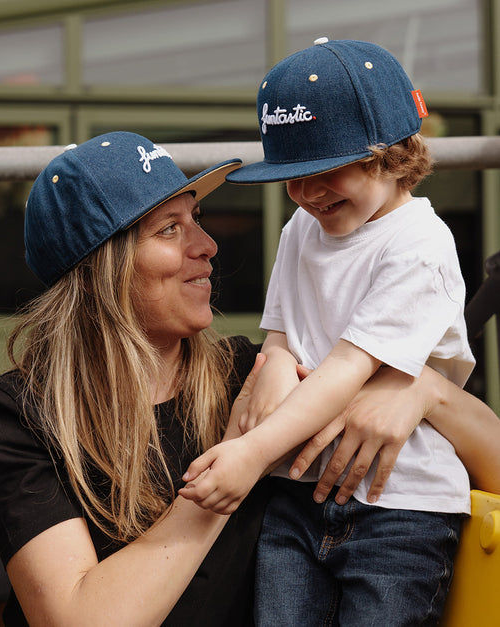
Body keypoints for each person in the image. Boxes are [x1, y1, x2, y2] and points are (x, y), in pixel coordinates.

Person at [0, 132, 500, 627]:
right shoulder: (22, 412)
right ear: (101, 271)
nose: (207, 245)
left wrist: (424, 393)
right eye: (169, 229)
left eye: (196, 219)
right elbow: (81, 619)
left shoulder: (252, 376)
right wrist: (238, 458)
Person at [179, 39, 476, 625]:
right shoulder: (301, 228)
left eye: (327, 170)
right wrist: (274, 362)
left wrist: (249, 453)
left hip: (397, 502)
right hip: (300, 490)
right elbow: (285, 327)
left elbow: (348, 368)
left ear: (390, 154)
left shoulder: (419, 247)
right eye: (293, 176)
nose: (309, 193)